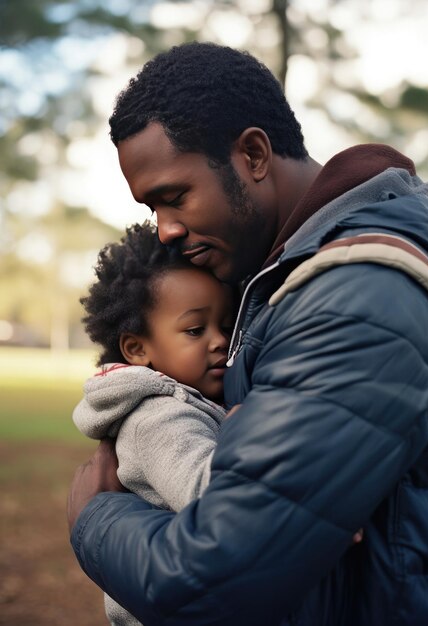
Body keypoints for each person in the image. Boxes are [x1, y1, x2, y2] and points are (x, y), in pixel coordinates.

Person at [67, 42, 428, 626]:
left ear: (254, 155)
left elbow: (220, 575)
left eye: (174, 197)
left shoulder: (356, 298)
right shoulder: (279, 284)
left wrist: (95, 518)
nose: (165, 231)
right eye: (151, 208)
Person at [72, 221, 234, 625]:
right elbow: (209, 496)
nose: (219, 341)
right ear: (138, 348)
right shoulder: (158, 419)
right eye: (195, 329)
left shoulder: (188, 402)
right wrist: (248, 428)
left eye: (226, 326)